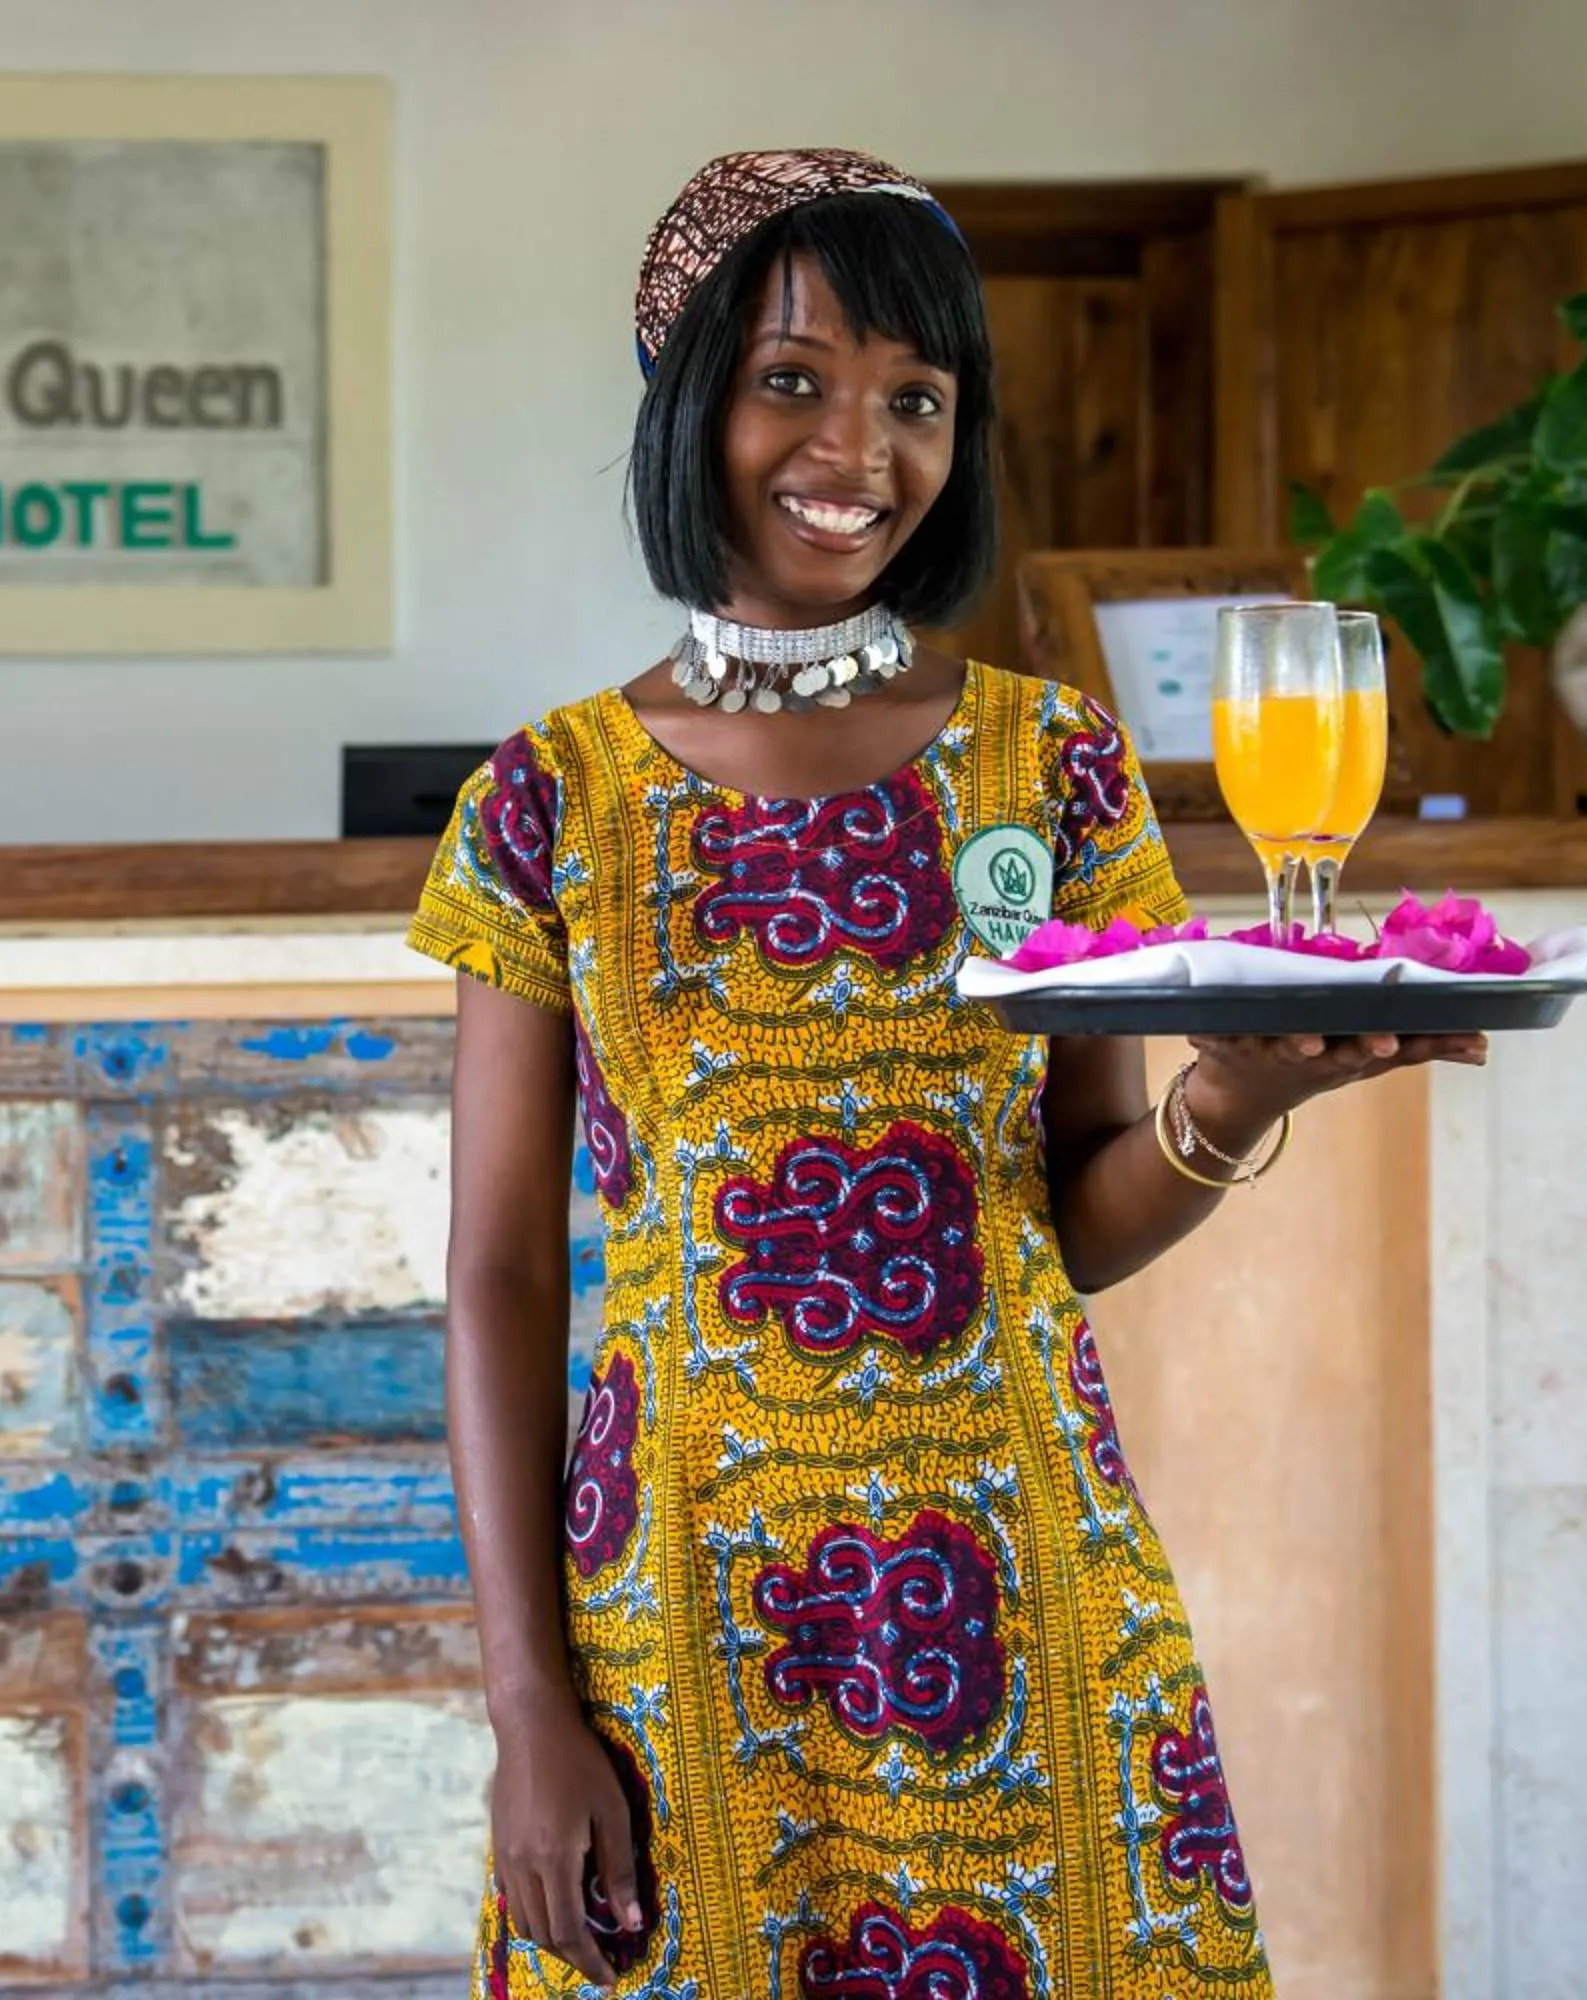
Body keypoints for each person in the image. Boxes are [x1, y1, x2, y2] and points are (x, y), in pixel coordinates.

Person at [409, 149, 1483, 1999]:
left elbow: (1073, 1213)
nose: (860, 448)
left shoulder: (1052, 766)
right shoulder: (545, 796)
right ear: (689, 400)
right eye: (794, 379)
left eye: (918, 397)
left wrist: (1231, 1108)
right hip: (680, 1619)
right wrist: (527, 1704)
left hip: (1027, 1584)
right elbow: (502, 1273)